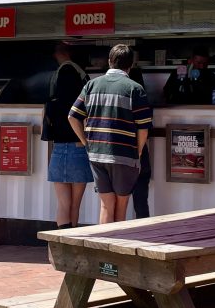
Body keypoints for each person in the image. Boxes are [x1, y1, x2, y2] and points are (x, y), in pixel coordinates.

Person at [68, 44, 152, 224]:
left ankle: (103, 248)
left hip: (97, 153)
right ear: (131, 64)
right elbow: (143, 127)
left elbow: (72, 116)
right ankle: (117, 249)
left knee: (106, 206)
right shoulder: (135, 89)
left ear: (109, 62)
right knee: (121, 206)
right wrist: (137, 151)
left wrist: (86, 142)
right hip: (124, 154)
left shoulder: (91, 85)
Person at [42, 42, 91, 228]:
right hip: (80, 146)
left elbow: (58, 108)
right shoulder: (82, 75)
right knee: (75, 206)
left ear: (60, 53)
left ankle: (60, 247)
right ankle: (72, 247)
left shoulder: (65, 72)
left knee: (63, 204)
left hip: (61, 146)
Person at [128, 62, 153, 219]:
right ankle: (144, 231)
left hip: (118, 153)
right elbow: (145, 130)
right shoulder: (143, 100)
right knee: (141, 200)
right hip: (140, 151)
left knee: (115, 201)